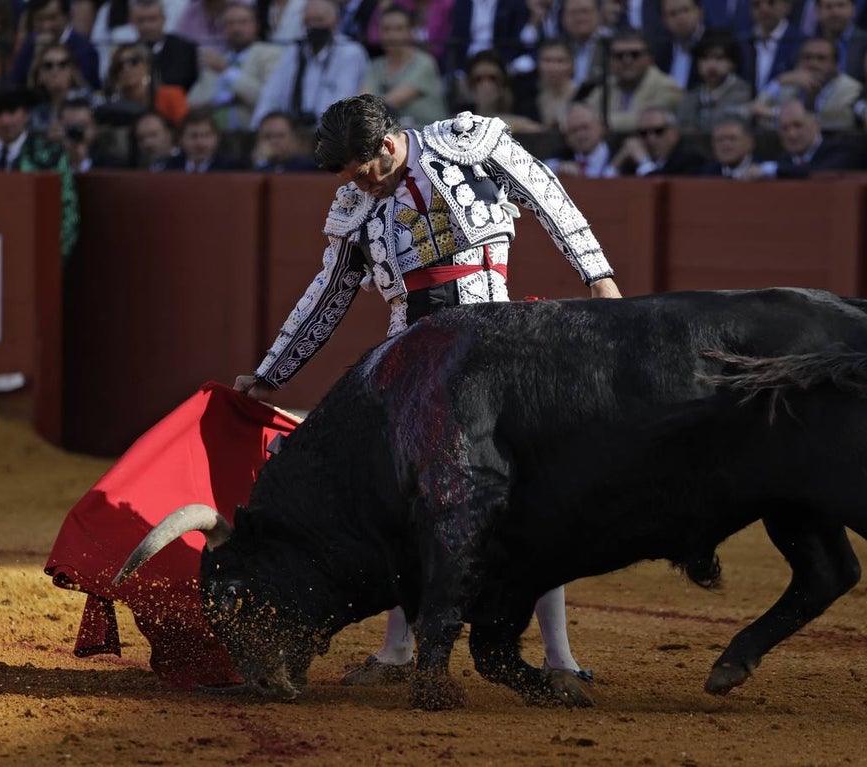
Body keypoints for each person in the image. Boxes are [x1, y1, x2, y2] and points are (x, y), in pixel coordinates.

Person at [232, 94, 621, 686]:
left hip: (493, 344)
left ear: (387, 145)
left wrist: (598, 274)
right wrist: (270, 373)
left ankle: (560, 657)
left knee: (530, 497)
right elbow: (329, 292)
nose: (363, 187)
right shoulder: (356, 203)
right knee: (400, 499)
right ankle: (396, 651)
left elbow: (547, 196)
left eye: (366, 172)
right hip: (408, 361)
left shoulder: (469, 144)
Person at [0, 84, 80, 261]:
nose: (6, 121)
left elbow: (68, 213)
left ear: (25, 114)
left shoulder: (49, 158)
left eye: (12, 111)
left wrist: (51, 259)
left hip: (33, 256)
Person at [249, 0, 370, 129]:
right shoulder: (294, 51)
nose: (314, 26)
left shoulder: (350, 53)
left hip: (332, 134)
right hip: (294, 131)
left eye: (319, 20)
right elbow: (271, 95)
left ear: (335, 22)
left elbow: (344, 98)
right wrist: (258, 128)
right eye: (309, 21)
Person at [186, 2, 282, 130]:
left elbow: (267, 98)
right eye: (230, 23)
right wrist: (218, 101)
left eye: (243, 22)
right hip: (216, 134)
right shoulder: (217, 59)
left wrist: (227, 72)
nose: (236, 28)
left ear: (256, 26)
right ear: (223, 29)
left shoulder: (270, 54)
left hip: (253, 132)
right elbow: (192, 103)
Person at [360, 6, 447, 128]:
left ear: (410, 32)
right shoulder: (375, 65)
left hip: (426, 136)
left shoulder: (424, 62)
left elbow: (392, 102)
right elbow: (364, 103)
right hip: (390, 136)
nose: (392, 35)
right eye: (386, 29)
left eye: (399, 29)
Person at [750, 37, 863, 129]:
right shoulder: (788, 86)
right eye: (807, 58)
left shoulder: (851, 89)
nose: (813, 64)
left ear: (836, 65)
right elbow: (755, 110)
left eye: (821, 58)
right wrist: (778, 82)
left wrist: (778, 115)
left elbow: (829, 121)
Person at [584, 28, 684, 131]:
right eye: (619, 56)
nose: (627, 61)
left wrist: (598, 123)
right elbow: (582, 115)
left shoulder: (667, 87)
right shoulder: (605, 87)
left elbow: (645, 120)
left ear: (650, 58)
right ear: (610, 60)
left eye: (635, 55)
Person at [11, 0, 102, 90]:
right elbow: (14, 83)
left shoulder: (84, 49)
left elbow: (88, 89)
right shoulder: (30, 43)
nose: (46, 26)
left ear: (67, 17)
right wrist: (36, 58)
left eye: (52, 18)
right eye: (40, 19)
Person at [98, 42, 190, 126]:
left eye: (133, 62)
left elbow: (186, 129)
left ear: (147, 65)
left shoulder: (170, 96)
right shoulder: (114, 108)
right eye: (119, 65)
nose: (126, 69)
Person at [677, 30, 751, 130]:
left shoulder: (746, 95)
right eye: (704, 58)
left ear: (732, 63)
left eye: (719, 58)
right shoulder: (690, 98)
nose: (711, 65)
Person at [611, 106, 707, 175]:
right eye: (643, 133)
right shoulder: (633, 161)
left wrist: (644, 162)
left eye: (658, 131)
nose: (650, 139)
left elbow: (663, 192)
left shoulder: (690, 161)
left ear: (674, 132)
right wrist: (617, 163)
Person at [131, 0, 200, 92]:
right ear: (132, 22)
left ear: (163, 19)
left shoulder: (184, 49)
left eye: (152, 19)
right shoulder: (128, 53)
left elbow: (179, 82)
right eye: (141, 20)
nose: (146, 26)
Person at [27, 42, 95, 134]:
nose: (55, 71)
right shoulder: (33, 111)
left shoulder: (90, 102)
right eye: (48, 66)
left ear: (72, 71)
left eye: (62, 64)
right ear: (40, 75)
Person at [741, 0, 804, 95]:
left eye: (771, 3)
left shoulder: (802, 43)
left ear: (787, 6)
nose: (764, 9)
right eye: (756, 5)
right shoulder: (743, 43)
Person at [545, 101, 618, 176]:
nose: (580, 135)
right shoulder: (563, 156)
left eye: (585, 127)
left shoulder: (618, 154)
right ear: (566, 137)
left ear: (601, 127)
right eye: (574, 131)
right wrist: (558, 168)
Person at [157, 106, 244, 169]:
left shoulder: (231, 168)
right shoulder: (169, 168)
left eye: (206, 135)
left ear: (217, 138)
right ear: (181, 139)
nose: (200, 142)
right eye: (193, 136)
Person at [815, 0, 867, 83]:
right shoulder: (807, 46)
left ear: (853, 9)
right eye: (828, 7)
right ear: (817, 12)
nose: (835, 12)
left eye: (841, 5)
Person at [250, 109, 319, 170]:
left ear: (294, 139)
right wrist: (260, 162)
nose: (274, 141)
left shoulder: (310, 168)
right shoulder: (245, 168)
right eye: (268, 136)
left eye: (280, 136)